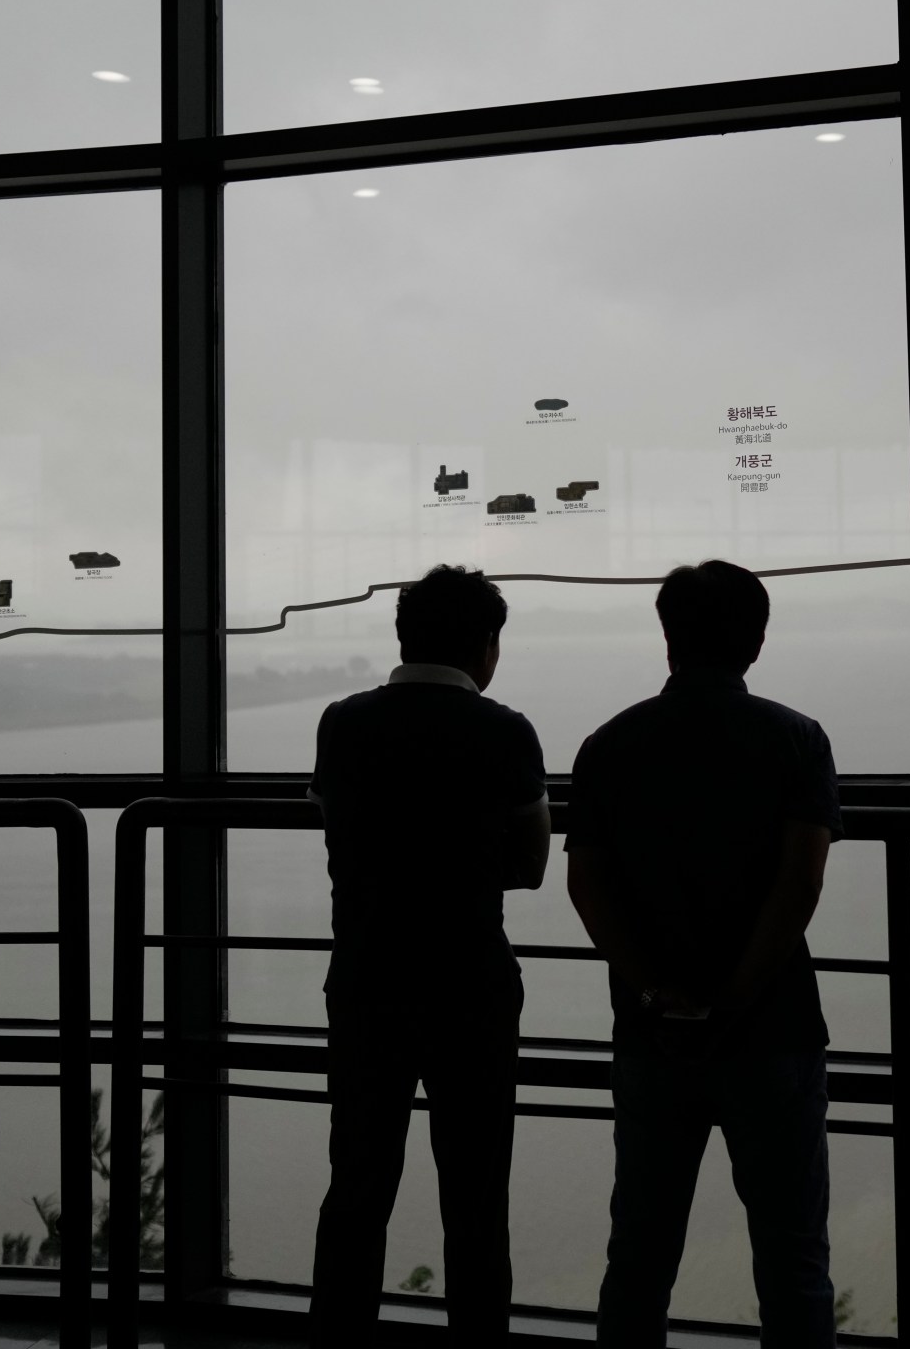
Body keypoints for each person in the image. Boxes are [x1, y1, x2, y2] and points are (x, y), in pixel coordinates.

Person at [565, 559, 841, 1349]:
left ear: (668, 638)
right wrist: (734, 998)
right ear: (754, 641)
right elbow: (800, 885)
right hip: (773, 1029)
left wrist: (658, 994)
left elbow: (587, 887)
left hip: (651, 1036)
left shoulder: (608, 745)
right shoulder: (796, 740)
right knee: (793, 1261)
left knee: (640, 1255)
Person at [308, 565, 551, 1348]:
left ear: (404, 635)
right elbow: (534, 863)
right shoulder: (505, 732)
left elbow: (335, 824)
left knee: (358, 1185)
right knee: (476, 1199)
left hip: (368, 979)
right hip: (470, 984)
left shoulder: (343, 725)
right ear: (486, 644)